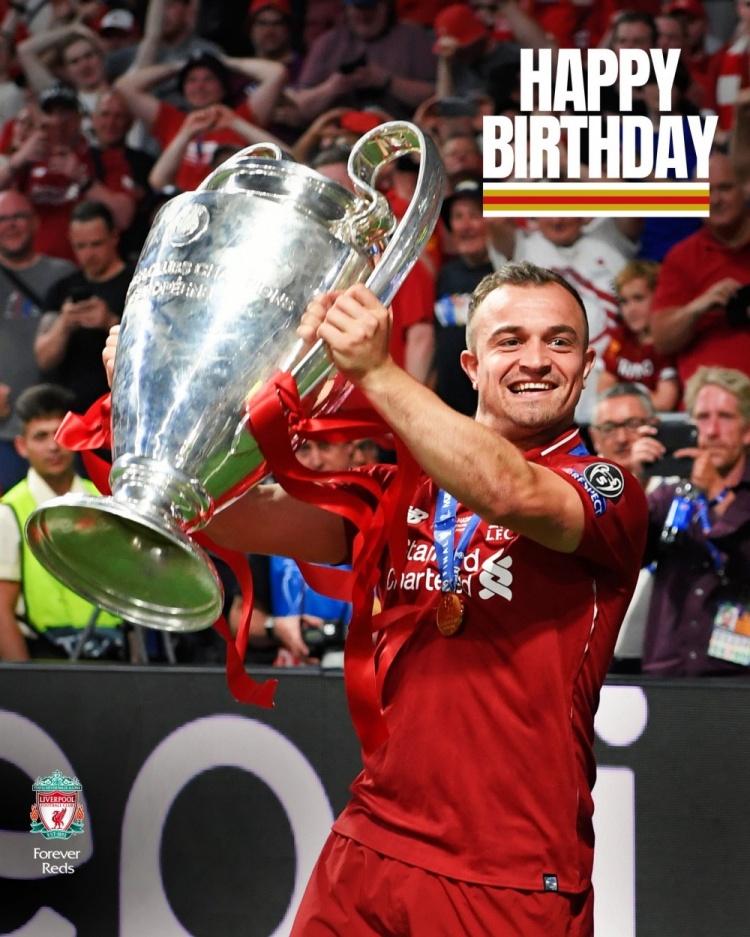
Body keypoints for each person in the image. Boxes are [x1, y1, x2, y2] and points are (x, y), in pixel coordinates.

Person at [147, 259, 646, 935]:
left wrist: (378, 372)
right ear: (472, 366)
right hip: (371, 840)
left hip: (507, 867)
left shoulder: (606, 491)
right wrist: (150, 406)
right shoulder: (397, 491)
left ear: (585, 367)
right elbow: (226, 515)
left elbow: (508, 491)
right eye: (510, 341)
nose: (536, 359)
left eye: (558, 341)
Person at [0, 383, 125, 660]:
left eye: (59, 433)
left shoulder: (105, 499)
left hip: (113, 654)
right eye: (40, 436)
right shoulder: (9, 512)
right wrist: (26, 678)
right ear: (21, 446)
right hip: (45, 659)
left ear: (76, 436)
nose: (53, 446)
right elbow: (1, 611)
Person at [642, 366, 750, 676]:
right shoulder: (669, 495)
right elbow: (624, 555)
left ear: (747, 431)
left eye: (725, 417)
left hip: (738, 678)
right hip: (668, 671)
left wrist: (716, 492)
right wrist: (632, 482)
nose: (712, 430)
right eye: (702, 417)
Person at [650, 148, 750, 389]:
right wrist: (699, 306)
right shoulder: (682, 256)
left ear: (745, 189)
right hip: (708, 398)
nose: (715, 199)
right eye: (706, 191)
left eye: (725, 188)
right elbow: (662, 341)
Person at [0, 190, 76, 491]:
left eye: (19, 216)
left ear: (35, 222)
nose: (11, 225)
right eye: (3, 219)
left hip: (61, 430)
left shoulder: (64, 274)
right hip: (4, 430)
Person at [35, 199, 133, 413]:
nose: (89, 253)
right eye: (80, 246)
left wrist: (110, 322)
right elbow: (44, 359)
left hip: (120, 406)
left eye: (96, 244)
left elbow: (154, 348)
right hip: (71, 412)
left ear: (114, 237)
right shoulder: (61, 289)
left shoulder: (137, 283)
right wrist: (64, 324)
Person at [290, 0, 436, 122]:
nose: (364, 15)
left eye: (371, 7)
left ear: (386, 6)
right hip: (337, 135)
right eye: (358, 7)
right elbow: (300, 107)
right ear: (347, 8)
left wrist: (387, 81)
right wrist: (331, 87)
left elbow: (434, 99)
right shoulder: (328, 43)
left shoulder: (414, 39)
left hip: (399, 133)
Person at [599, 260, 680, 412]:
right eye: (624, 301)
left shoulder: (668, 341)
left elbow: (664, 403)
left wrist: (621, 397)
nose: (631, 309)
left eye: (638, 298)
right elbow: (603, 391)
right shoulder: (620, 337)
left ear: (659, 297)